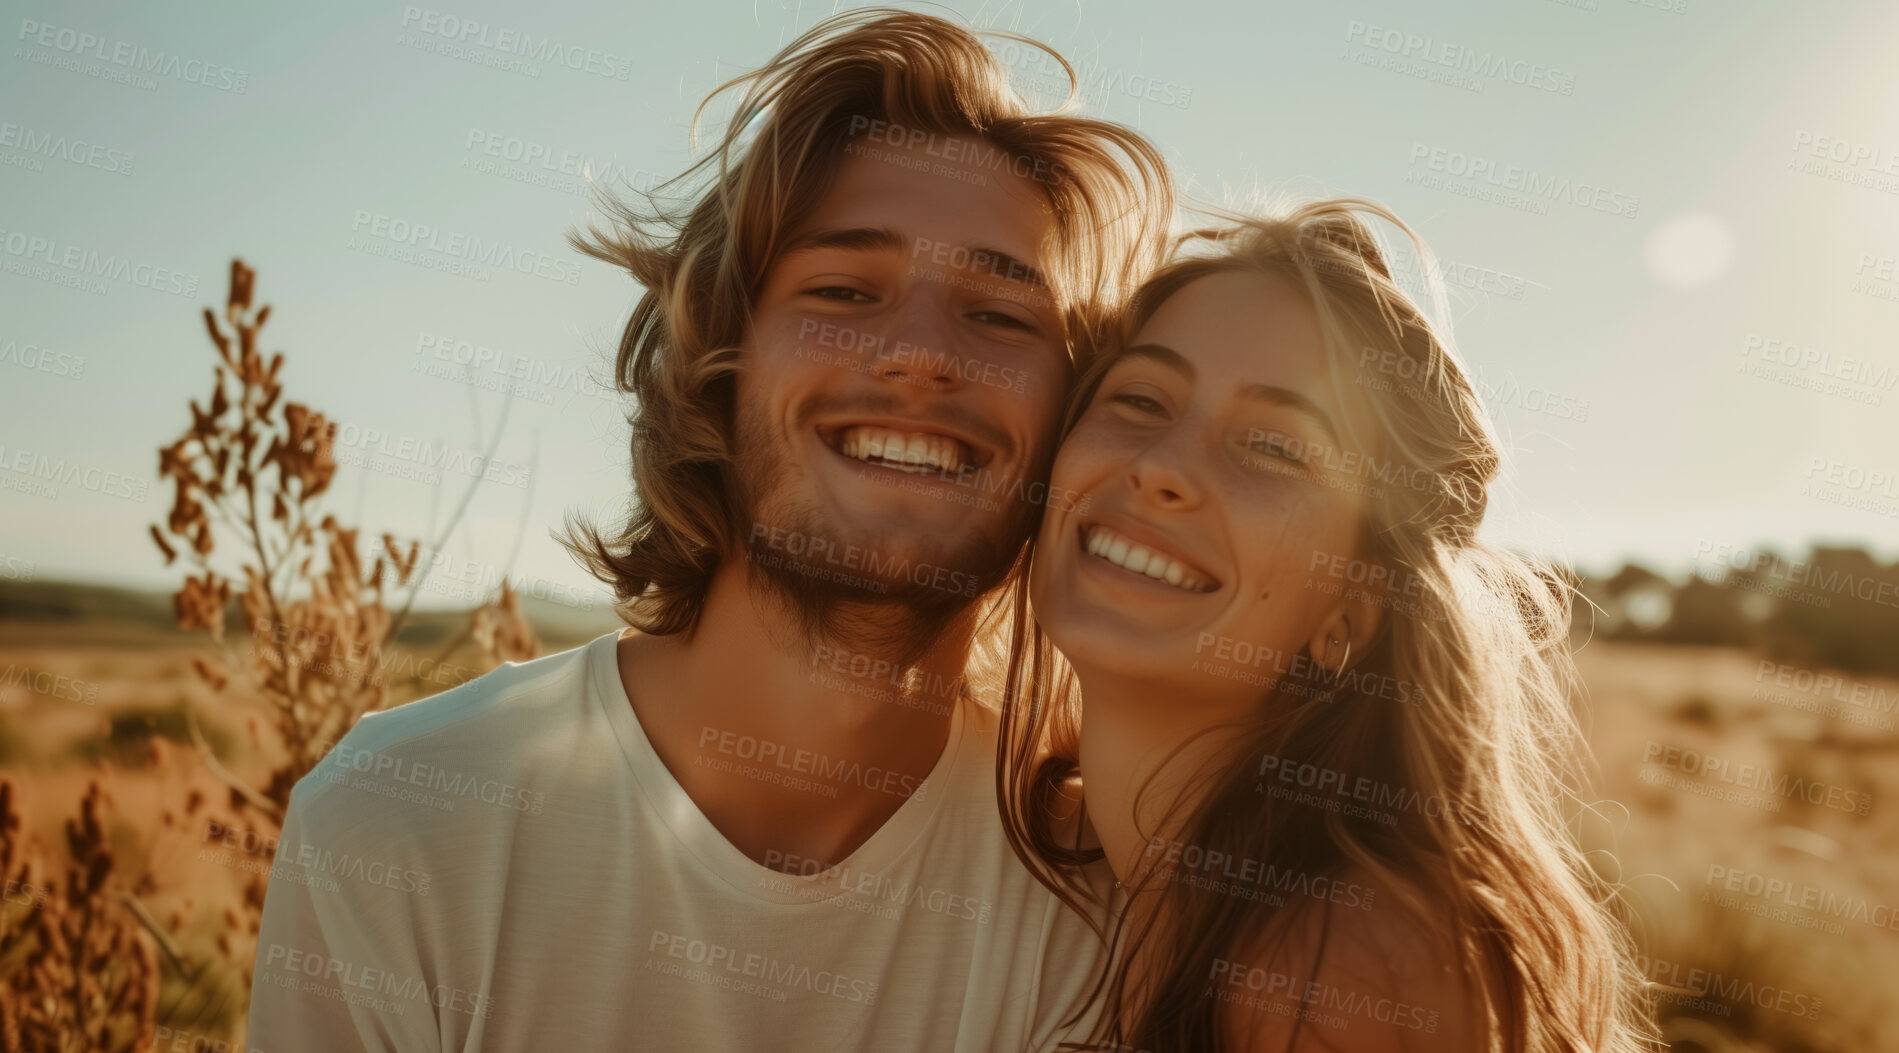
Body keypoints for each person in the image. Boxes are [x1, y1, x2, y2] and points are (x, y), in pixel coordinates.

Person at [246, 9, 1171, 1050]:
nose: (921, 353)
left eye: (1002, 316)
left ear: (1069, 424)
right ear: (715, 362)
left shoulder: (1109, 902)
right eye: (844, 290)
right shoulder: (400, 827)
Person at [998, 199, 1660, 1052]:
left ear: (1350, 607)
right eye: (1140, 398)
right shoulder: (1069, 853)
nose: (1161, 466)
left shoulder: (1334, 968)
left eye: (1272, 446)